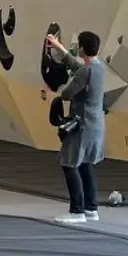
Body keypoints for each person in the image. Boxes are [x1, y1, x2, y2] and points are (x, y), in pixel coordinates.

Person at [44, 31, 104, 225]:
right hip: (95, 124)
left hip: (82, 124)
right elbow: (74, 65)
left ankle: (77, 209)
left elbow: (69, 93)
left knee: (69, 163)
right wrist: (58, 46)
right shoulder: (99, 67)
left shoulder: (86, 72)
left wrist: (57, 94)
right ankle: (91, 208)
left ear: (83, 48)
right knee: (85, 164)